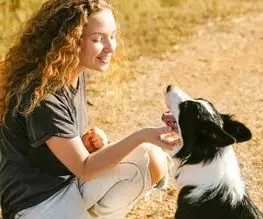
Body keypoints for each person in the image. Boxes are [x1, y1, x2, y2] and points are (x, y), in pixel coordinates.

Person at [0, 1, 178, 219]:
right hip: (35, 205)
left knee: (150, 158)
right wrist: (143, 135)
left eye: (112, 35)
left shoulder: (74, 73)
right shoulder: (44, 97)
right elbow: (85, 168)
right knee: (142, 145)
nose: (110, 46)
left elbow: (57, 150)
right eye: (97, 39)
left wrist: (83, 143)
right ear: (70, 42)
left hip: (67, 186)